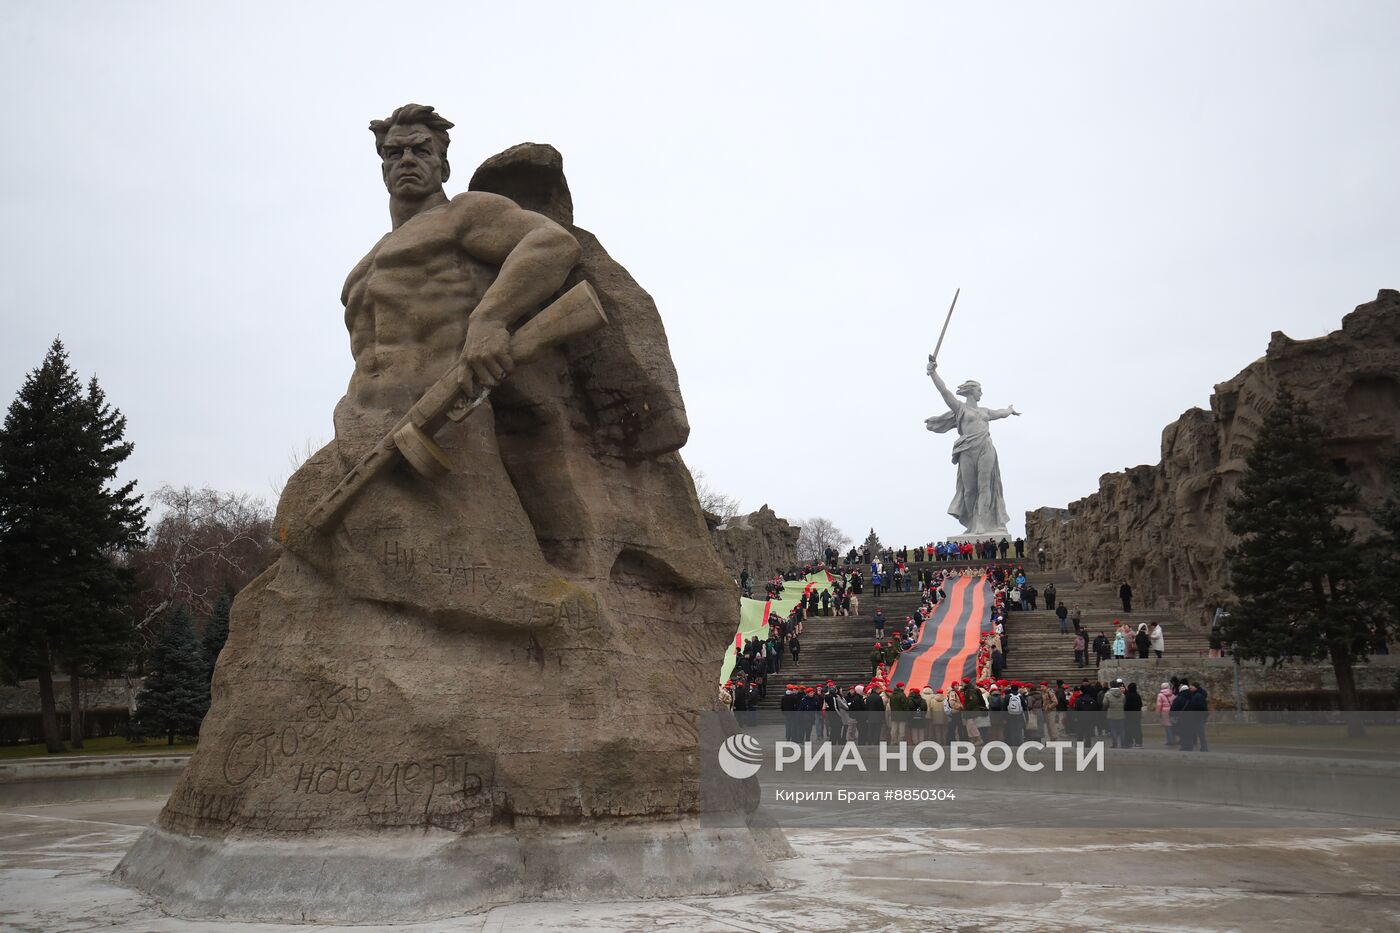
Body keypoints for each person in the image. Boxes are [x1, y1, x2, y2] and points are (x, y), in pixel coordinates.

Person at [923, 360, 1020, 536]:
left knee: (985, 486)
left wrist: (1009, 409)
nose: (981, 392)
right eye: (979, 389)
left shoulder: (985, 412)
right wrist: (933, 373)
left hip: (985, 447)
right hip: (966, 450)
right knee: (969, 490)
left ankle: (981, 524)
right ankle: (972, 523)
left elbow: (1001, 413)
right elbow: (944, 391)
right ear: (971, 391)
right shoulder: (960, 408)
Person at [1102, 679, 1126, 748]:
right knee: (1122, 730)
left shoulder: (1108, 694)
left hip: (1111, 714)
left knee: (1113, 729)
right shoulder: (1122, 694)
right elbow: (1124, 703)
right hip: (1121, 714)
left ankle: (1115, 743)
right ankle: (1123, 744)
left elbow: (1105, 703)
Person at [1123, 682, 1144, 747]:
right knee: (1137, 728)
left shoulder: (1127, 696)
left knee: (1128, 728)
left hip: (1129, 715)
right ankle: (1139, 742)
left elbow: (1125, 705)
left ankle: (1130, 742)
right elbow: (1141, 704)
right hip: (1137, 714)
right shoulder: (1137, 696)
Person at [1156, 681, 1176, 745]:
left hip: (1164, 712)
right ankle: (1173, 740)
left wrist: (1158, 713)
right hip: (1172, 711)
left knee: (1167, 727)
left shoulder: (1160, 695)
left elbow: (1159, 705)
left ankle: (1169, 741)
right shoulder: (1172, 694)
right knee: (1172, 726)